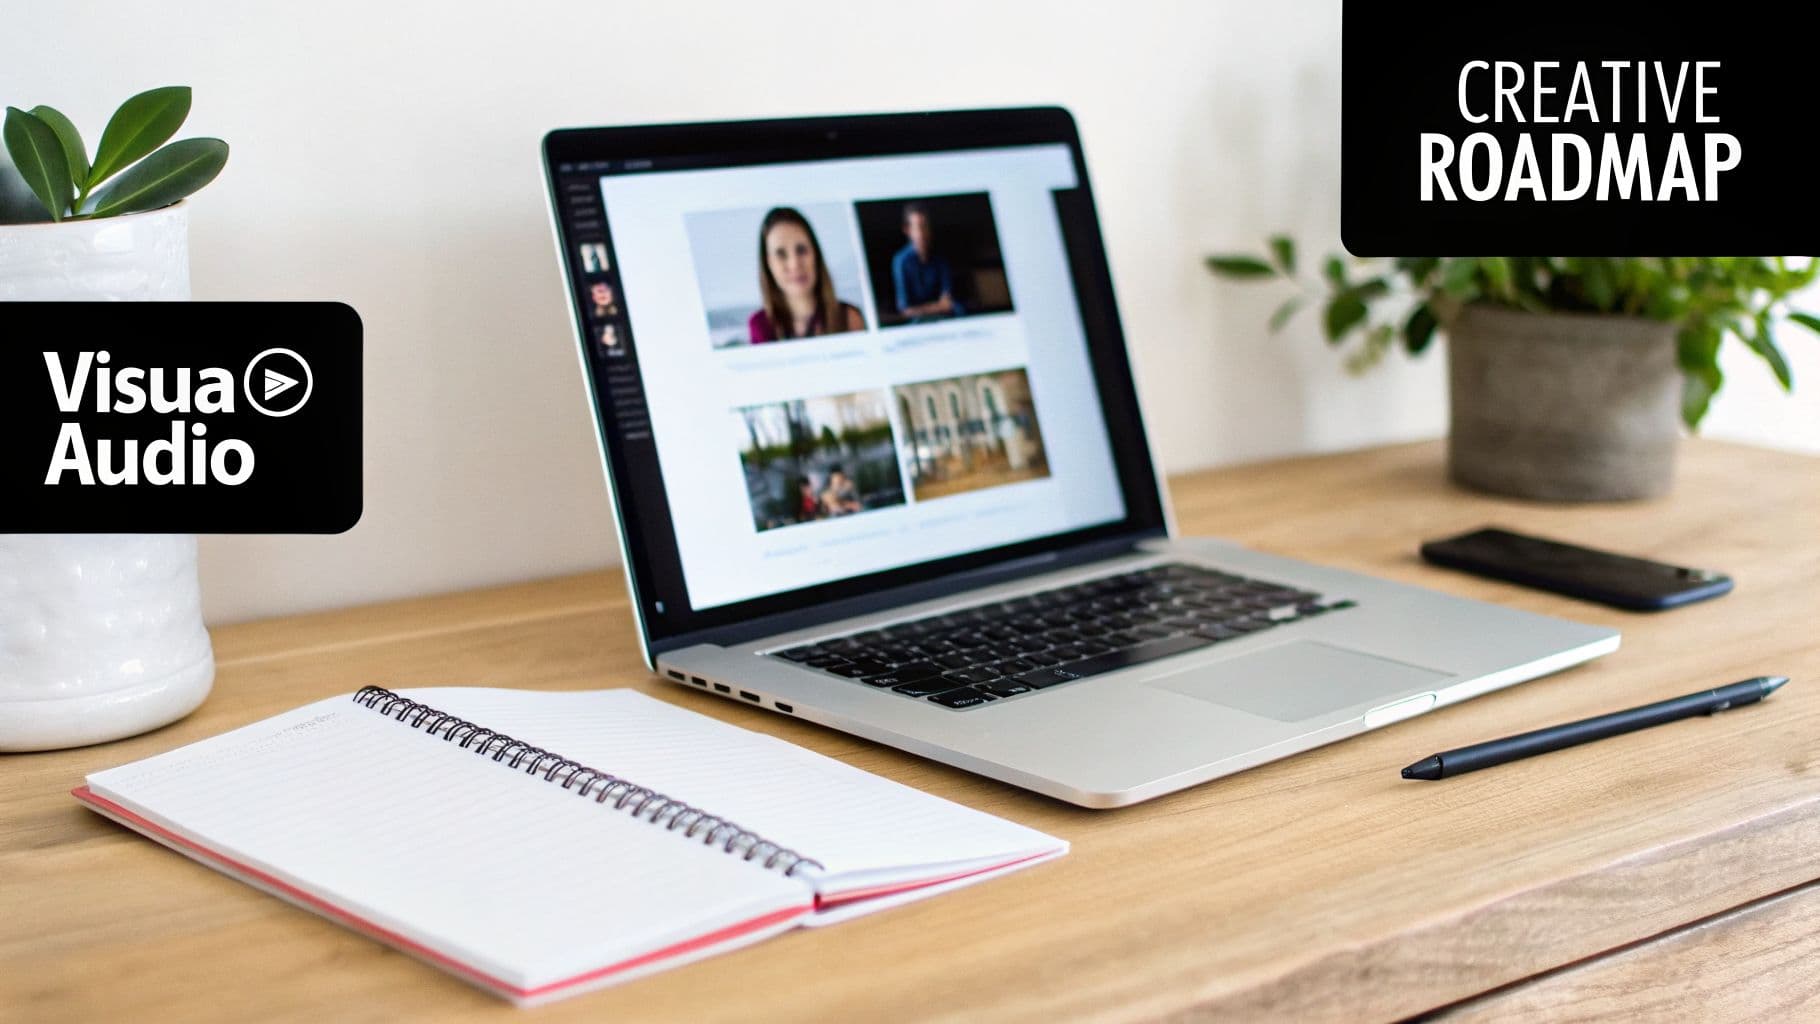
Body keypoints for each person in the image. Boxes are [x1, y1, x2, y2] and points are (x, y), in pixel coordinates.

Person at [748, 207, 866, 343]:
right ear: (768, 263)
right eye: (781, 254)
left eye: (801, 250)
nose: (794, 264)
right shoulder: (760, 326)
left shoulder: (849, 318)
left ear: (815, 254)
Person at [891, 201, 964, 322]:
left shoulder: (940, 258)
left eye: (925, 226)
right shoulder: (901, 261)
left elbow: (948, 302)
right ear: (907, 230)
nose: (922, 233)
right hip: (918, 320)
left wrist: (924, 308)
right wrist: (936, 307)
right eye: (917, 227)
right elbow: (905, 310)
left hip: (943, 317)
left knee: (959, 310)